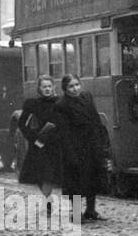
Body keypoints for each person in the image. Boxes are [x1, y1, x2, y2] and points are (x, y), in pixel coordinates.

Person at [56, 73, 111, 222]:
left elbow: (95, 119)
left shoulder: (87, 97)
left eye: (77, 85)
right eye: (71, 86)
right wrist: (70, 154)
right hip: (75, 147)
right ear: (65, 89)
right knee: (76, 181)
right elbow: (64, 132)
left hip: (92, 144)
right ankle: (76, 214)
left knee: (93, 177)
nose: (75, 89)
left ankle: (91, 210)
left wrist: (101, 142)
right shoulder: (62, 105)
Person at [18, 75, 63, 215]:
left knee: (50, 175)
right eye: (44, 87)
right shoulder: (32, 103)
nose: (47, 89)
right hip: (39, 143)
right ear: (39, 89)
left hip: (55, 142)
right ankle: (47, 199)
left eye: (50, 86)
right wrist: (33, 136)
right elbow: (22, 123)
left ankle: (48, 202)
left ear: (53, 87)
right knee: (40, 175)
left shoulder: (59, 102)